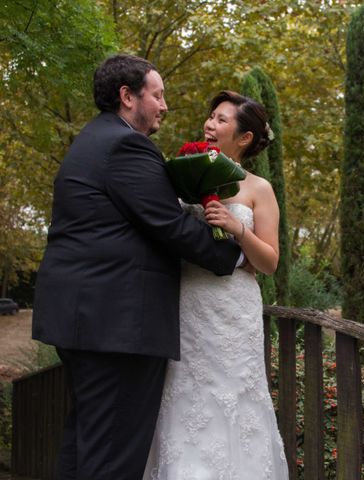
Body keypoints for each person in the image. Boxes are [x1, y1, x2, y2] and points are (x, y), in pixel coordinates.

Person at [32, 55, 243, 480]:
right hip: (117, 326)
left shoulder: (93, 138)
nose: (165, 106)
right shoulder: (126, 145)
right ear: (128, 97)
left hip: (86, 318)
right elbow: (169, 223)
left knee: (86, 443)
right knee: (112, 458)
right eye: (158, 95)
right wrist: (234, 255)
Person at [143, 91, 288, 479]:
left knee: (235, 400)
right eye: (210, 117)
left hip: (232, 311)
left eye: (222, 120)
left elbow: (270, 262)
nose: (210, 124)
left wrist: (238, 228)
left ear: (244, 138)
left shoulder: (259, 189)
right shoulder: (180, 182)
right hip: (185, 303)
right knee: (183, 401)